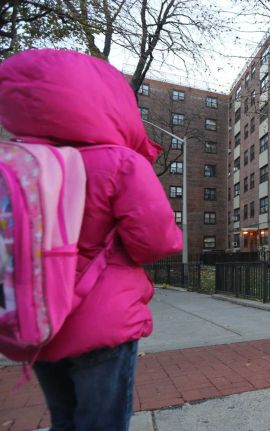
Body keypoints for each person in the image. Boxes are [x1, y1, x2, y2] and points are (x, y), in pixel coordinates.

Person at [0, 49, 182, 430]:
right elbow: (157, 242)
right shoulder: (119, 162)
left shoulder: (15, 162)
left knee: (64, 420)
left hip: (39, 320)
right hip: (104, 323)